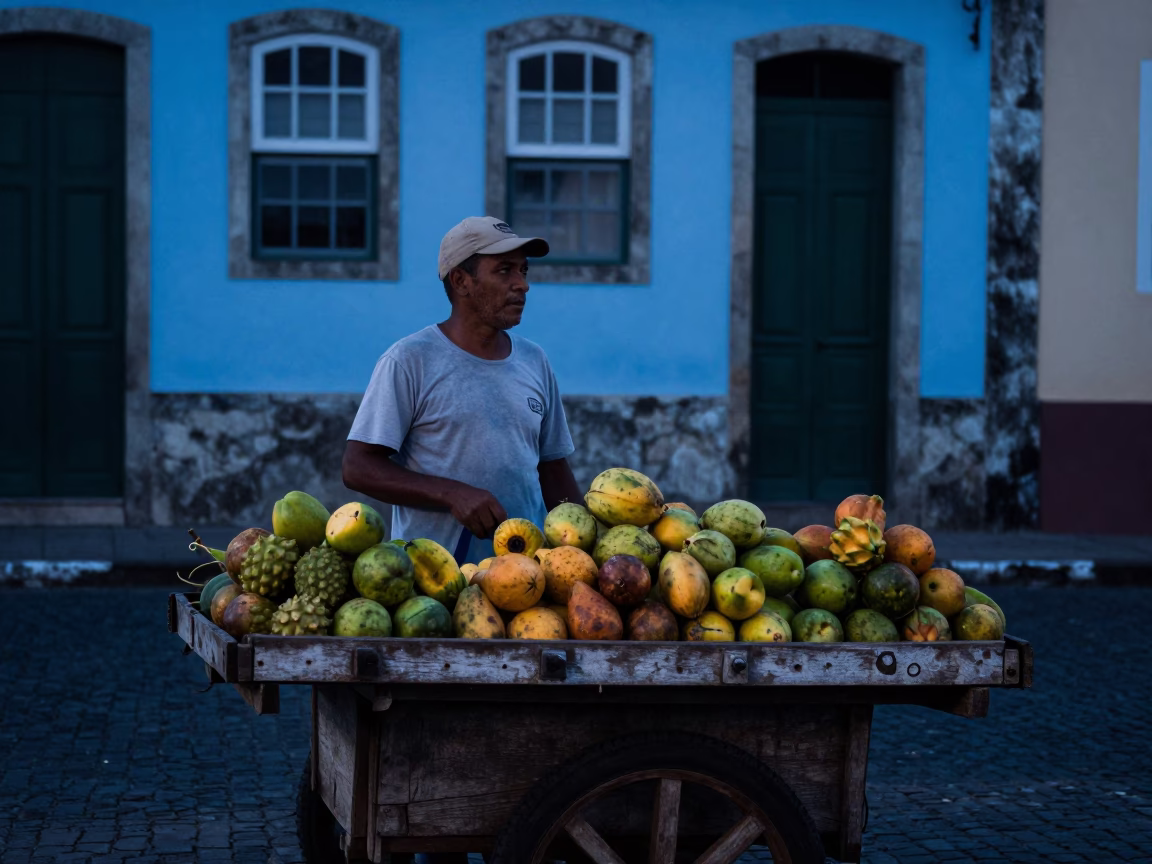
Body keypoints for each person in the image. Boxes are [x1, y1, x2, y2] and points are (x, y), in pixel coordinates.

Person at [342, 215, 583, 571]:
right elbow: (358, 467)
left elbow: (553, 468)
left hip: (527, 578)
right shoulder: (410, 360)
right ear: (461, 281)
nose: (522, 285)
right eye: (504, 271)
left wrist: (585, 547)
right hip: (435, 582)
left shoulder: (534, 360)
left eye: (523, 271)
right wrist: (450, 494)